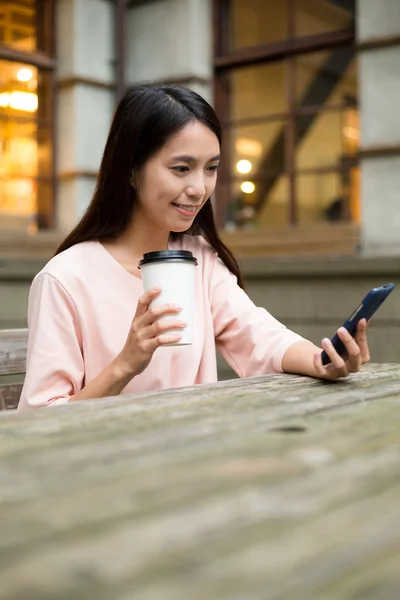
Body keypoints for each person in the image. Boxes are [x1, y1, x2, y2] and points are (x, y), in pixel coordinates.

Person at [18, 84, 370, 410]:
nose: (200, 188)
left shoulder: (200, 258)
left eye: (211, 168)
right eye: (182, 168)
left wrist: (320, 361)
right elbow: (41, 417)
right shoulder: (65, 279)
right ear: (131, 170)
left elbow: (257, 334)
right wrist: (125, 365)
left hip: (195, 455)